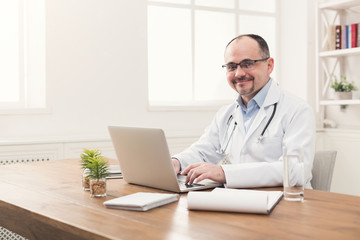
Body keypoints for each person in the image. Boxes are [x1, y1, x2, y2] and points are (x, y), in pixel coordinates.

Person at [172, 34, 315, 189]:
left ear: (269, 65)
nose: (239, 73)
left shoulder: (298, 110)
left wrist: (224, 173)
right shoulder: (226, 114)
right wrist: (176, 162)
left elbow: (296, 171)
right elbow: (203, 151)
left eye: (247, 64)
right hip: (237, 201)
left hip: (285, 203)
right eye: (232, 66)